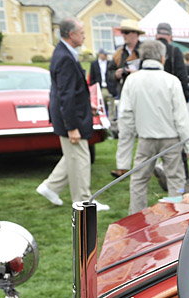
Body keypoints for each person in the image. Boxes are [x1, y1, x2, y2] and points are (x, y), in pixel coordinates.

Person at [36, 18, 106, 211]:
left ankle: (50, 187)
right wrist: (72, 127)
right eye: (81, 32)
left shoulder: (65, 53)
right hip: (69, 118)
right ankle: (83, 201)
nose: (84, 35)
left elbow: (72, 90)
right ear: (71, 34)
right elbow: (65, 95)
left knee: (72, 156)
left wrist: (87, 105)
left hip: (71, 113)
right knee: (81, 159)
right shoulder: (64, 57)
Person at [118, 40, 189, 214]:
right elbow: (181, 117)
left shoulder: (132, 80)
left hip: (145, 138)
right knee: (176, 180)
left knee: (138, 180)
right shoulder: (171, 81)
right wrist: (187, 144)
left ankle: (135, 219)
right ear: (161, 57)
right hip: (171, 140)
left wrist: (122, 158)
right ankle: (177, 218)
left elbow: (125, 116)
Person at [111, 19, 142, 177]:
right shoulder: (119, 53)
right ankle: (122, 167)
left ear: (135, 34)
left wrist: (136, 74)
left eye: (127, 32)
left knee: (146, 133)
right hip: (125, 95)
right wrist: (115, 74)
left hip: (143, 97)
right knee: (124, 132)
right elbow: (109, 73)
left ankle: (149, 166)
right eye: (123, 32)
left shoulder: (144, 50)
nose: (124, 35)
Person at [155, 23, 189, 103]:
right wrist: (185, 97)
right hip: (170, 96)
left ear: (156, 36)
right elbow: (182, 76)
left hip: (151, 96)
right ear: (171, 37)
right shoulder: (175, 51)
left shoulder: (148, 50)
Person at [88, 49, 117, 122]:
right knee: (101, 106)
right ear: (100, 54)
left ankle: (111, 123)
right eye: (104, 54)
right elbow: (92, 77)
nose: (106, 56)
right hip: (99, 88)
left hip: (109, 88)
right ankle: (101, 121)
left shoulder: (110, 63)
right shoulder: (94, 64)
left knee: (111, 107)